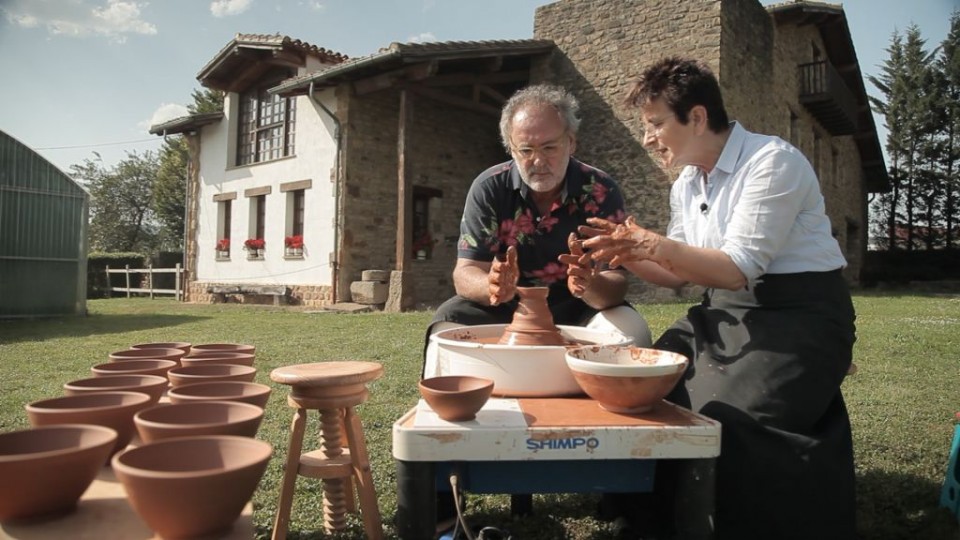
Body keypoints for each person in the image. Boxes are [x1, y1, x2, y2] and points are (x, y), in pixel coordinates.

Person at [577, 57, 857, 539]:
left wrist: (647, 242)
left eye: (655, 124)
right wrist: (617, 253)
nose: (648, 138)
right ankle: (648, 510)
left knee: (725, 415)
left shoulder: (772, 162)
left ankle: (717, 521)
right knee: (644, 381)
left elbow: (734, 269)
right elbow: (677, 275)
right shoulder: (688, 181)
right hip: (723, 312)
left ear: (699, 117)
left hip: (800, 316)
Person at [423, 84, 651, 378]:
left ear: (571, 142)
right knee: (446, 328)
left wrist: (591, 283)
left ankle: (617, 417)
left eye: (549, 147)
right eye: (526, 150)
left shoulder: (599, 189)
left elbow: (616, 281)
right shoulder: (489, 187)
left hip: (578, 306)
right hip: (504, 306)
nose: (539, 162)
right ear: (510, 148)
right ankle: (448, 419)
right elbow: (465, 272)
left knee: (631, 330)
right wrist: (491, 287)